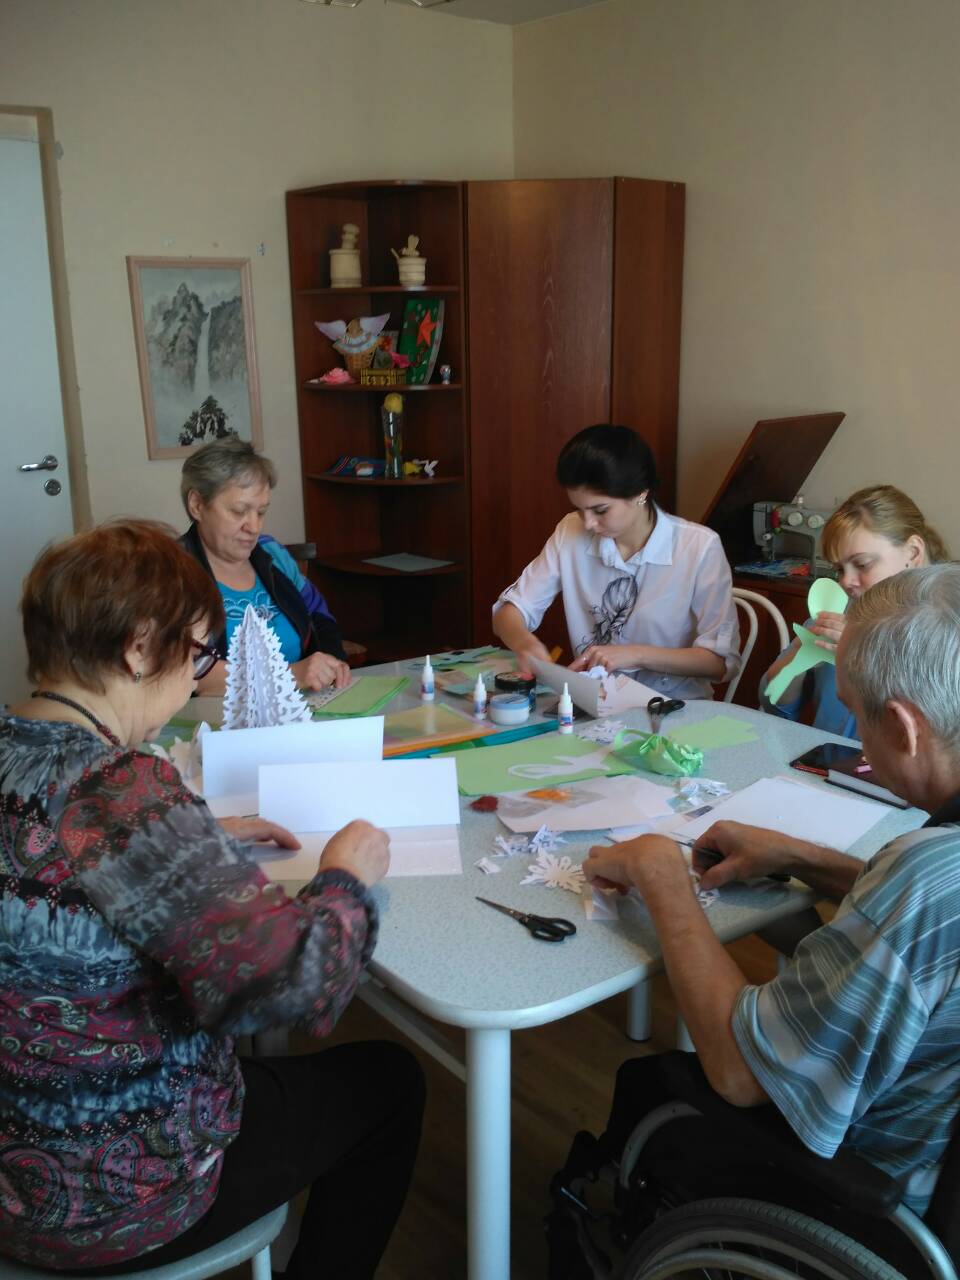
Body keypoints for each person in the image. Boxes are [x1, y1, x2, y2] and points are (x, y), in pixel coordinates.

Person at [0, 520, 424, 1276]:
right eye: (197, 654)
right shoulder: (122, 791)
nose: (194, 678)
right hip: (111, 1195)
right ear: (139, 647)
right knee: (391, 1083)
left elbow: (58, 869)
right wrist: (346, 877)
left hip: (14, 1159)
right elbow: (291, 984)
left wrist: (192, 838)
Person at [577, 564, 960, 1227]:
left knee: (650, 1086)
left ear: (903, 727)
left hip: (881, 1192)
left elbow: (740, 1073)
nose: (857, 738)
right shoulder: (930, 873)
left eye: (856, 715)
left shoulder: (925, 878)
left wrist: (663, 878)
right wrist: (804, 857)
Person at [492, 424, 740, 701]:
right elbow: (509, 612)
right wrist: (524, 643)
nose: (588, 523)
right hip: (594, 702)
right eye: (579, 509)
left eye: (600, 510)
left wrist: (635, 654)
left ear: (640, 493)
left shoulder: (699, 547)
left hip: (674, 706)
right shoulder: (571, 531)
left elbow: (719, 663)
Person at [760, 483, 949, 738]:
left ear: (913, 553)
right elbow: (772, 704)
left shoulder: (946, 625)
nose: (846, 582)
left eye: (862, 564)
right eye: (839, 569)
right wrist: (799, 657)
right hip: (829, 758)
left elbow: (936, 737)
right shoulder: (842, 610)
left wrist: (866, 658)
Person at [180, 438, 350, 693]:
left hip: (305, 703)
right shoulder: (171, 572)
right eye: (239, 511)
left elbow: (319, 615)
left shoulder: (272, 553)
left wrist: (330, 663)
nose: (254, 527)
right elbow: (189, 669)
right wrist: (290, 675)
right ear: (197, 505)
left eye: (261, 512)